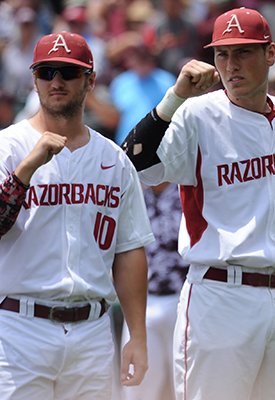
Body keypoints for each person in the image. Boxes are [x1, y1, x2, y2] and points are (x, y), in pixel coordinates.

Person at [120, 7, 275, 400]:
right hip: (222, 293)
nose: (231, 64)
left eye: (243, 53)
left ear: (270, 54)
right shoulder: (197, 114)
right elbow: (132, 161)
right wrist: (175, 97)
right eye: (222, 54)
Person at [0, 31, 153, 399]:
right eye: (47, 72)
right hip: (19, 328)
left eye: (68, 73)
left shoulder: (114, 159)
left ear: (90, 80)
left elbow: (129, 250)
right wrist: (26, 170)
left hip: (92, 331)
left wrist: (137, 334)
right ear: (34, 79)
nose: (56, 81)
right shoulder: (8, 147)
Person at [121, 182, 188, 400]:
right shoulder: (132, 190)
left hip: (184, 299)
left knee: (184, 385)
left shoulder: (185, 188)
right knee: (138, 388)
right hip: (142, 302)